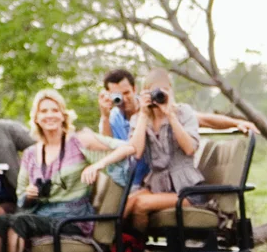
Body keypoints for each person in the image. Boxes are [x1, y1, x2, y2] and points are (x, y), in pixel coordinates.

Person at [0, 89, 134, 252]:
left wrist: (97, 165)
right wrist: (30, 195)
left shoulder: (78, 141)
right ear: (36, 118)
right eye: (44, 111)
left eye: (54, 110)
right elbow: (21, 199)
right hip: (41, 213)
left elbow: (128, 148)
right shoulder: (30, 154)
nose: (50, 115)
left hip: (72, 217)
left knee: (20, 221)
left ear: (63, 115)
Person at [99, 67, 257, 191]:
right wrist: (104, 117)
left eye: (127, 92)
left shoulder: (155, 105)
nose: (124, 99)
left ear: (135, 89)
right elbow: (108, 146)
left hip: (156, 178)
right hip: (134, 180)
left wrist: (236, 123)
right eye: (117, 95)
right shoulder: (114, 117)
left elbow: (202, 119)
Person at [123, 70, 211, 234]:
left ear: (170, 91)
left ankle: (136, 250)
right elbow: (135, 153)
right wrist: (143, 114)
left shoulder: (183, 112)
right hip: (157, 186)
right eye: (154, 91)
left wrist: (170, 115)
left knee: (141, 204)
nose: (159, 95)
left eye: (163, 90)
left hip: (187, 190)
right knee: (127, 202)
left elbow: (190, 148)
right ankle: (116, 249)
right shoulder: (140, 118)